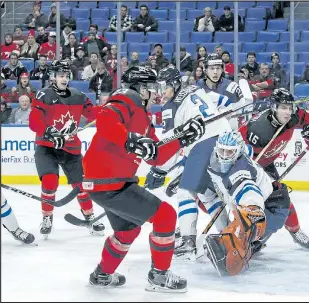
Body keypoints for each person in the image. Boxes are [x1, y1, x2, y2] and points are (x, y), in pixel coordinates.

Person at [82, 65, 206, 291]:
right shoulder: (126, 99)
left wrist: (183, 137)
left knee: (128, 230)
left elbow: (156, 156)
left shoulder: (143, 117)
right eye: (150, 87)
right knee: (166, 216)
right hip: (111, 182)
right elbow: (105, 120)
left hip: (107, 183)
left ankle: (102, 274)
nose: (155, 92)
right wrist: (130, 140)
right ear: (140, 88)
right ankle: (159, 277)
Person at [143, 66, 250, 258]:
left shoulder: (171, 107)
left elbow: (171, 142)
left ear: (174, 84)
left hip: (203, 145)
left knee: (185, 192)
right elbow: (224, 103)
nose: (160, 93)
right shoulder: (197, 89)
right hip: (225, 140)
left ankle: (187, 240)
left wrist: (159, 170)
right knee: (208, 195)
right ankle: (230, 232)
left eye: (163, 87)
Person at [178, 131, 272, 276]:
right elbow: (210, 197)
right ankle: (237, 239)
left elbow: (249, 192)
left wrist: (252, 211)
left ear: (238, 152)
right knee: (234, 224)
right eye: (221, 150)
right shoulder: (213, 162)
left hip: (270, 203)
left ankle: (247, 247)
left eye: (229, 152)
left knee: (249, 231)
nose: (224, 156)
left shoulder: (240, 169)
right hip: (240, 201)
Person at [28, 60, 104, 239]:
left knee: (81, 186)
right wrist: (48, 131)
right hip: (47, 147)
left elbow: (93, 113)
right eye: (61, 75)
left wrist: (111, 109)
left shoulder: (77, 95)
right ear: (53, 77)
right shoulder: (43, 95)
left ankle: (90, 217)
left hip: (70, 147)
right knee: (49, 181)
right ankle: (47, 218)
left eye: (66, 75)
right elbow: (34, 121)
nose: (64, 78)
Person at [239, 88, 309, 252]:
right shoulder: (260, 130)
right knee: (256, 203)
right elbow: (242, 156)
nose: (288, 111)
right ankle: (250, 236)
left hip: (267, 164)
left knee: (281, 200)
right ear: (273, 107)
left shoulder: (292, 115)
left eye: (289, 107)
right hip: (249, 167)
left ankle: (295, 231)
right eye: (283, 107)